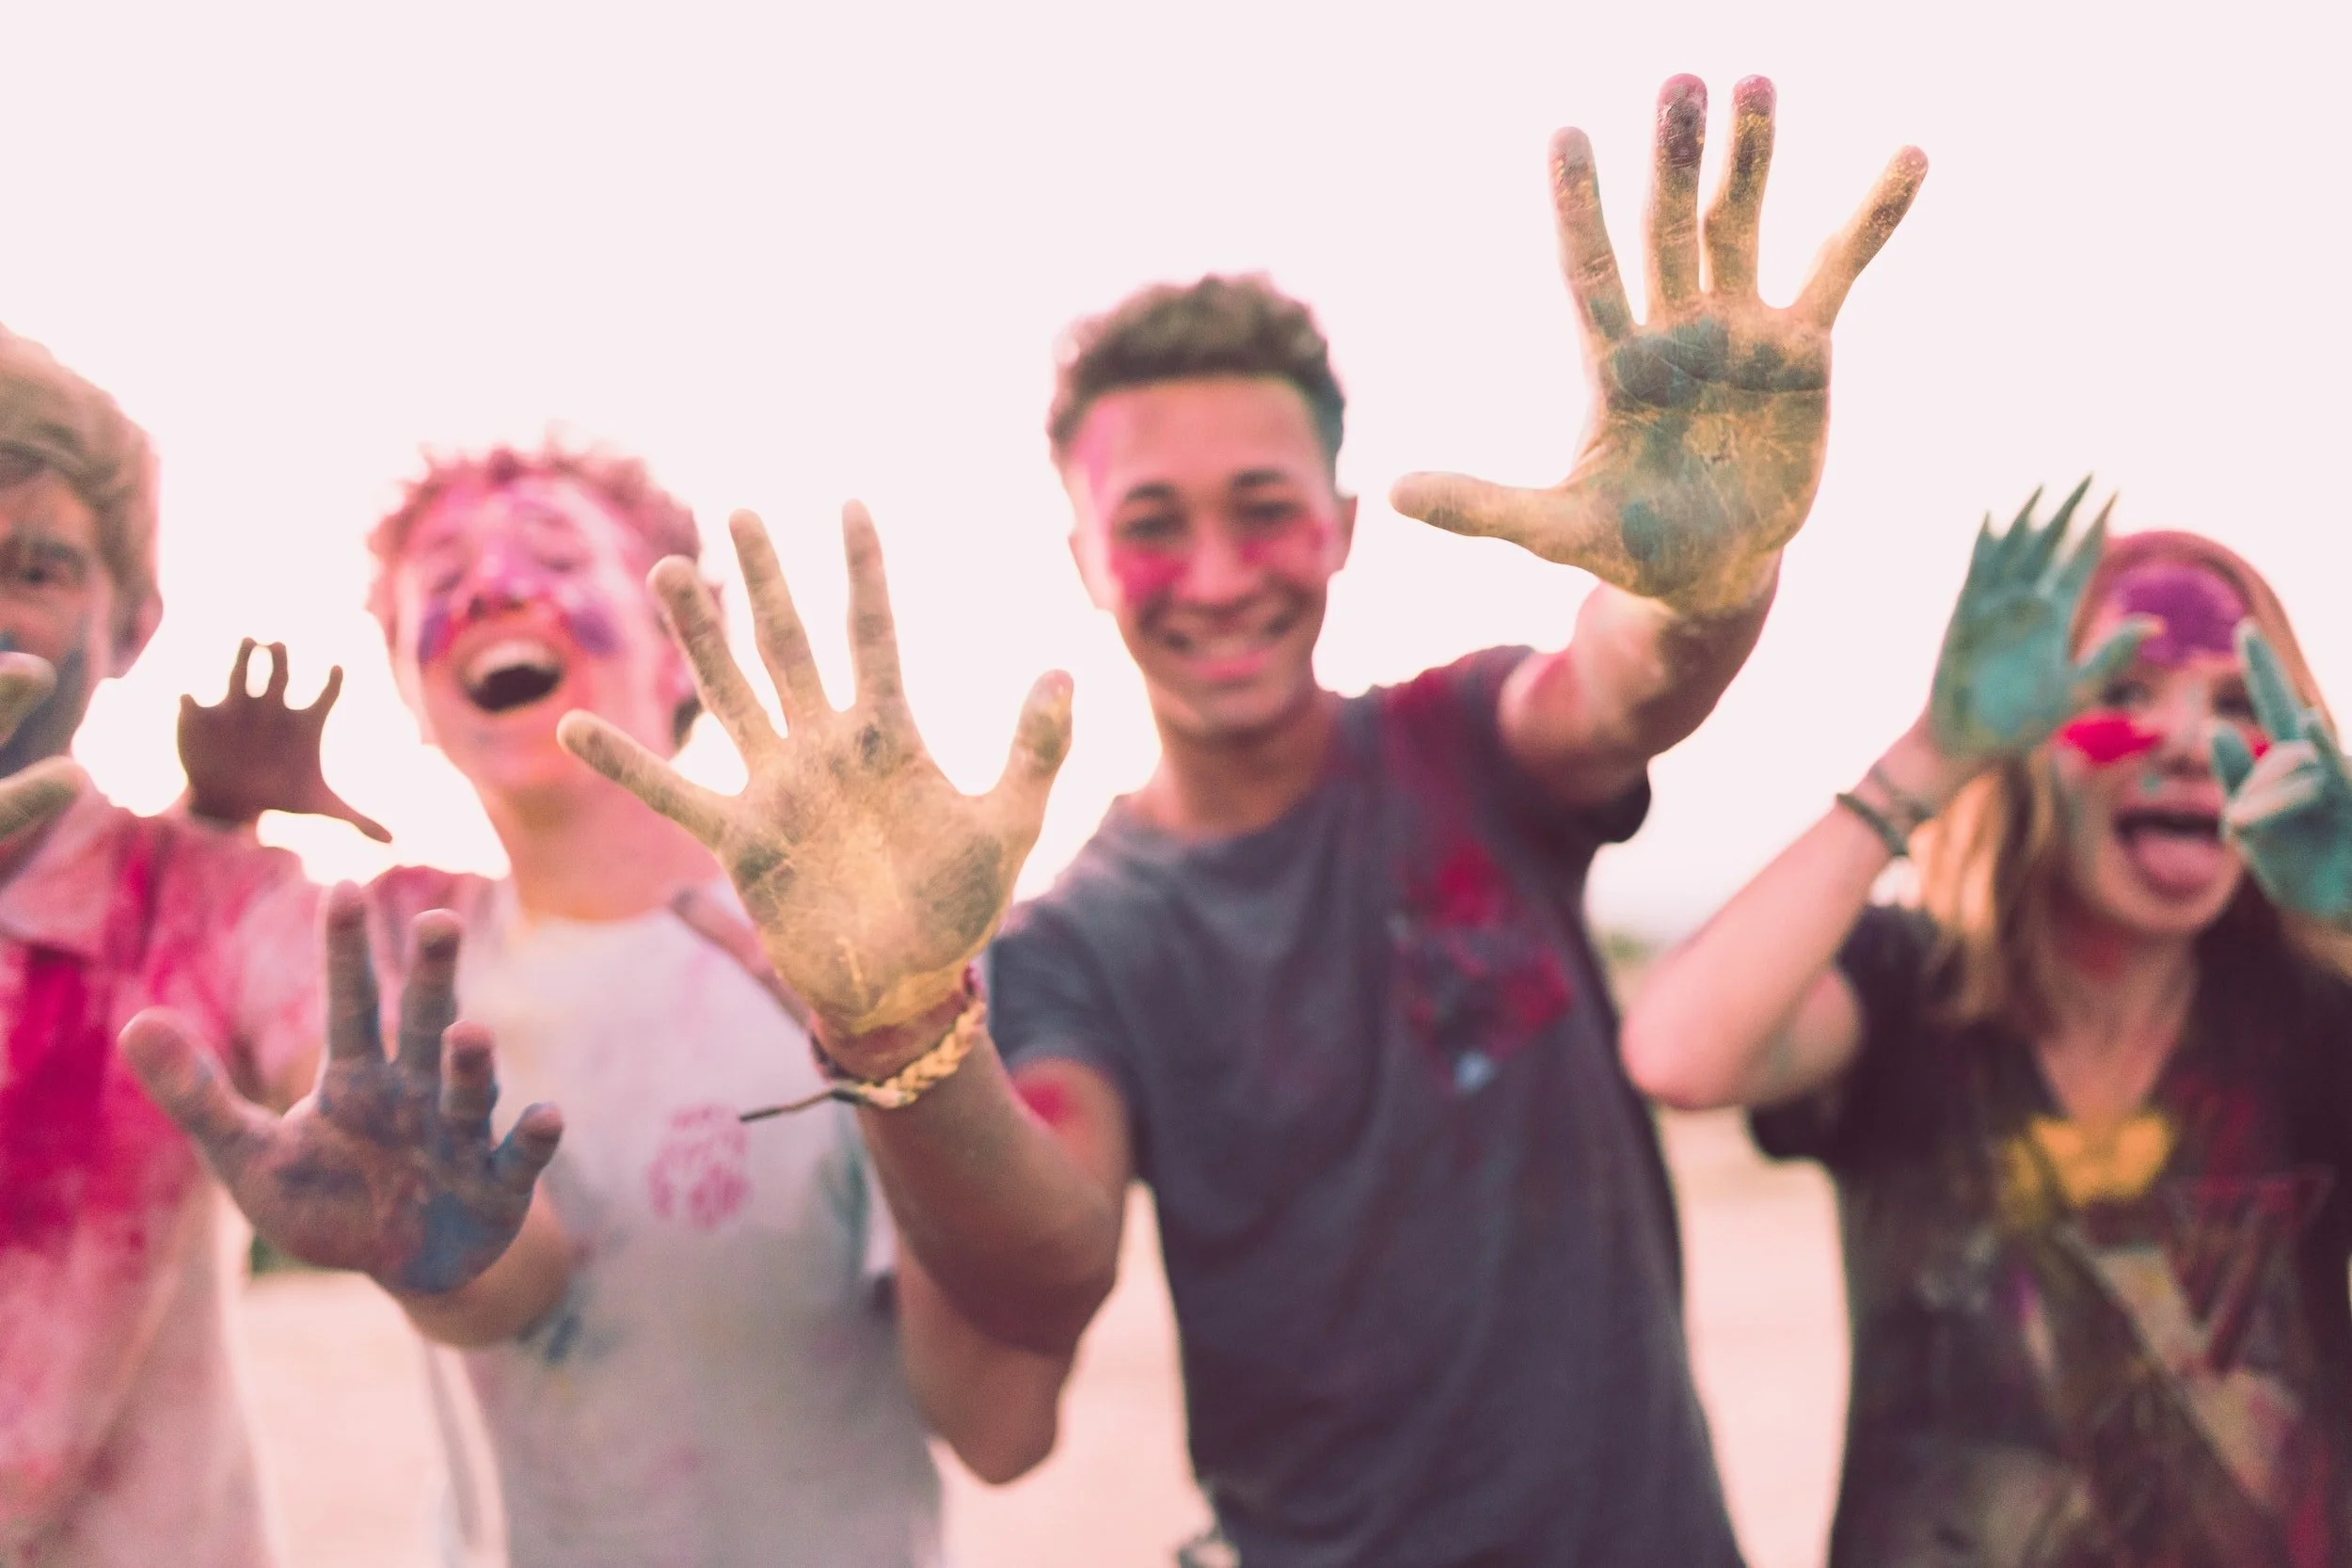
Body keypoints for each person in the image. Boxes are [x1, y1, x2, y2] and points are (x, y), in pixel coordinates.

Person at [559, 75, 1928, 1563]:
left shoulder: (1465, 743)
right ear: (1082, 556)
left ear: (1338, 526)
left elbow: (1623, 683)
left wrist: (1707, 582)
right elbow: (1022, 1347)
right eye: (1152, 524)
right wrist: (893, 1042)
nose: (1216, 575)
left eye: (1263, 506)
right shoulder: (1080, 943)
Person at [129, 442, 1042, 1568]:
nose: (494, 587)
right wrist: (214, 813)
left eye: (555, 554)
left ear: (681, 644)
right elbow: (172, 956)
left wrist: (901, 1047)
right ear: (408, 695)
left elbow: (996, 1421)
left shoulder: (866, 950)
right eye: (445, 572)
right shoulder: (405, 953)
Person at [1617, 494, 2352, 1565]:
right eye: (2122, 690)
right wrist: (1931, 752)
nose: (2192, 742)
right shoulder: (1908, 986)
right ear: (2025, 738)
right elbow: (1675, 1050)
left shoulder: (2310, 1016)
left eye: (2238, 702)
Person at [0, 323, 542, 1568]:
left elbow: (459, 1224)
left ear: (132, 622)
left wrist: (440, 1245)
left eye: (33, 562)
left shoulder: (204, 898)